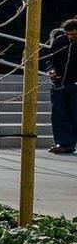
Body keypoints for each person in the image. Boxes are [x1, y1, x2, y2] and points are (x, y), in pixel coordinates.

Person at [46, 17, 77, 154]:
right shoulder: (60, 40)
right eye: (68, 34)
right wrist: (51, 70)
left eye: (74, 34)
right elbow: (50, 59)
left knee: (74, 114)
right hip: (58, 83)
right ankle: (63, 143)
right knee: (58, 113)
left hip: (74, 84)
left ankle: (70, 143)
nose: (70, 37)